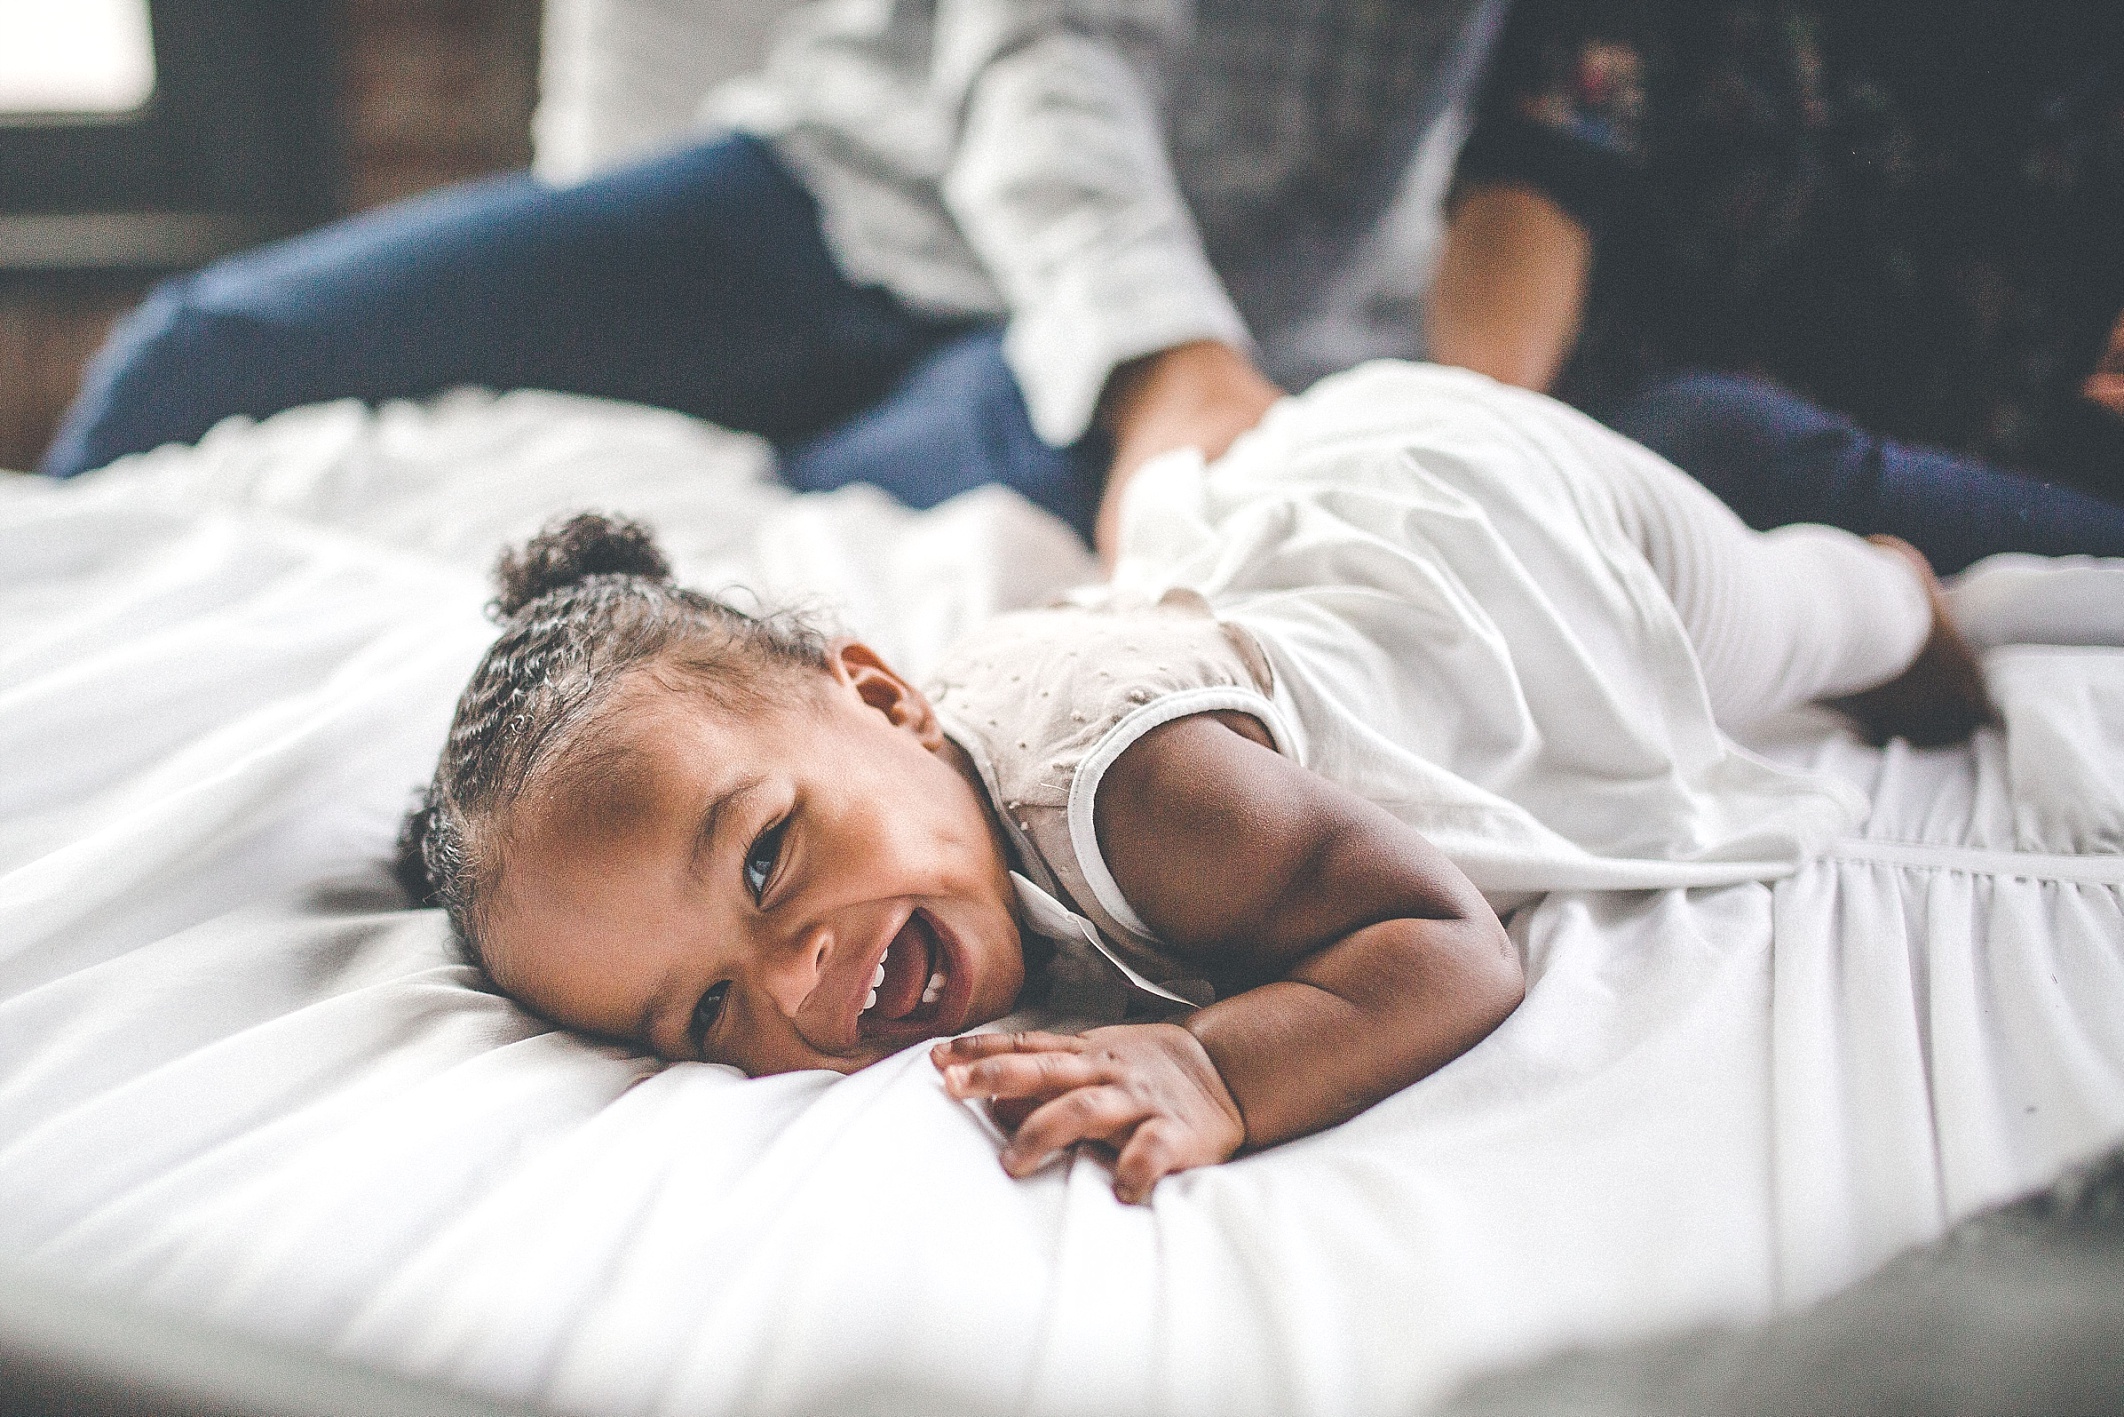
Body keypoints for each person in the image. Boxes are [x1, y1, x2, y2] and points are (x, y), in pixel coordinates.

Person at [395, 363, 1992, 1203]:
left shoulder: (1132, 794)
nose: (795, 979)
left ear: (884, 695)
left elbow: (1440, 941)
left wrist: (1217, 1072)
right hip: (1269, 549)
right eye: (704, 1015)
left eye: (761, 865)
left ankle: (1890, 585)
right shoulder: (928, 814)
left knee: (1787, 623)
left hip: (1511, 546)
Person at [41, 0, 1502, 553]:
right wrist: (1164, 351)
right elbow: (1046, 51)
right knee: (198, 348)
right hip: (840, 194)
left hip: (1122, 344)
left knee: (802, 528)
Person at [1425, 0, 2124, 574]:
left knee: (1711, 447)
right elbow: (1541, 177)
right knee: (1681, 451)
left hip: (1994, 501)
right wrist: (1486, 464)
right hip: (1653, 456)